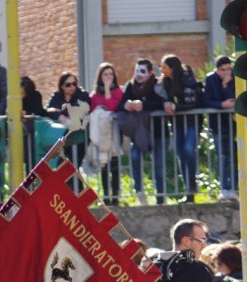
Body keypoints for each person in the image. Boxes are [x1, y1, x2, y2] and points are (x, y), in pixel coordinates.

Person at [116, 58, 164, 205]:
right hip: (138, 133)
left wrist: (144, 105)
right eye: (136, 70)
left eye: (142, 71)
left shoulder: (157, 85)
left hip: (158, 132)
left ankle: (160, 199)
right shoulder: (130, 87)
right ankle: (139, 192)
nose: (139, 74)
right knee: (135, 157)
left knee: (158, 167)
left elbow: (162, 103)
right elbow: (120, 106)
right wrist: (127, 105)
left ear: (150, 73)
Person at [156, 54, 200, 203]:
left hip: (192, 121)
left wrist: (176, 107)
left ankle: (193, 183)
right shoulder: (164, 82)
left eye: (164, 67)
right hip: (177, 123)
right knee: (181, 155)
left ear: (172, 68)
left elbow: (192, 101)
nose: (162, 70)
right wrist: (166, 104)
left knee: (188, 149)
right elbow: (161, 97)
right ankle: (189, 192)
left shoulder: (188, 79)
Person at [88, 62, 124, 205]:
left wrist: (108, 90)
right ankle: (106, 196)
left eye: (110, 74)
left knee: (114, 165)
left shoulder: (118, 91)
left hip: (114, 133)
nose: (108, 77)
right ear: (100, 77)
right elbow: (92, 110)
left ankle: (115, 197)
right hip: (101, 136)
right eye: (105, 74)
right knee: (104, 165)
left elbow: (112, 107)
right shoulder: (95, 94)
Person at [202, 55, 236, 199]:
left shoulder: (234, 78)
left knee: (233, 156)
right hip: (218, 124)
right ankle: (224, 187)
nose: (227, 72)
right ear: (217, 70)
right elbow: (207, 100)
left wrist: (227, 85)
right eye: (223, 70)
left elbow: (233, 98)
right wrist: (221, 104)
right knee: (222, 155)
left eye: (229, 69)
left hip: (233, 123)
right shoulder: (210, 79)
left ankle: (234, 187)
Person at [46, 72, 91, 172]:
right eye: (68, 85)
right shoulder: (56, 96)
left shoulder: (82, 95)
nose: (72, 87)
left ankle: (77, 187)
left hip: (80, 137)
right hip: (63, 137)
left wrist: (61, 112)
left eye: (74, 84)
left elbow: (80, 111)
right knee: (63, 168)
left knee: (74, 167)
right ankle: (73, 187)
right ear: (61, 86)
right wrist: (60, 116)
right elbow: (48, 110)